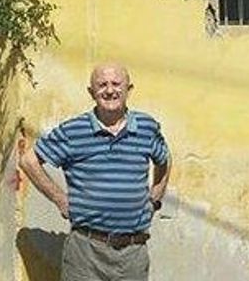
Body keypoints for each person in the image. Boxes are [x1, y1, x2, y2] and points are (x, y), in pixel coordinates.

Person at [19, 63, 171, 281]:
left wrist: (155, 197)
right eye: (102, 85)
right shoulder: (74, 131)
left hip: (133, 254)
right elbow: (29, 161)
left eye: (116, 84)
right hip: (86, 254)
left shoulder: (146, 127)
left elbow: (164, 158)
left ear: (129, 89)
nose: (109, 90)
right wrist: (60, 199)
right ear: (91, 92)